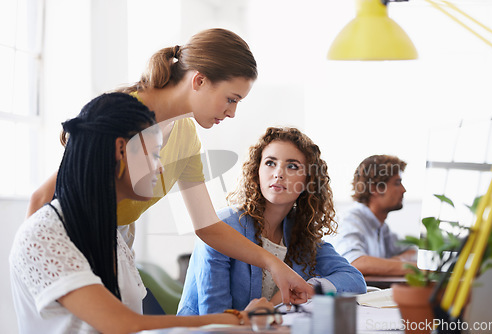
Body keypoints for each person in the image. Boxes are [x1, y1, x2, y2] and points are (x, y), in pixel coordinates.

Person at [25, 28, 313, 304]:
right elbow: (43, 198)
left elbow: (207, 226)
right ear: (199, 81)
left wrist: (274, 264)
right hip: (73, 243)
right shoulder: (121, 114)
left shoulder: (186, 135)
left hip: (117, 246)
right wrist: (34, 279)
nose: (232, 112)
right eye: (230, 99)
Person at [9, 93, 273, 333]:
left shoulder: (111, 236)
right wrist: (237, 319)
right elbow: (124, 324)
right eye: (156, 153)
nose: (160, 168)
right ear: (121, 149)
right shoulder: (45, 233)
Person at [177, 127, 366, 315]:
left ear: (308, 181)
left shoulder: (301, 235)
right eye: (270, 163)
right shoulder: (222, 226)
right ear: (256, 171)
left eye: (292, 166)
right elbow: (215, 317)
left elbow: (355, 280)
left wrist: (310, 287)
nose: (278, 173)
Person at [328, 154, 417, 276]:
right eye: (397, 183)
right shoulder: (350, 221)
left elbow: (413, 251)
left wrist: (396, 261)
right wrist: (415, 269)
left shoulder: (381, 227)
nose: (403, 190)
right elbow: (355, 262)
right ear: (375, 188)